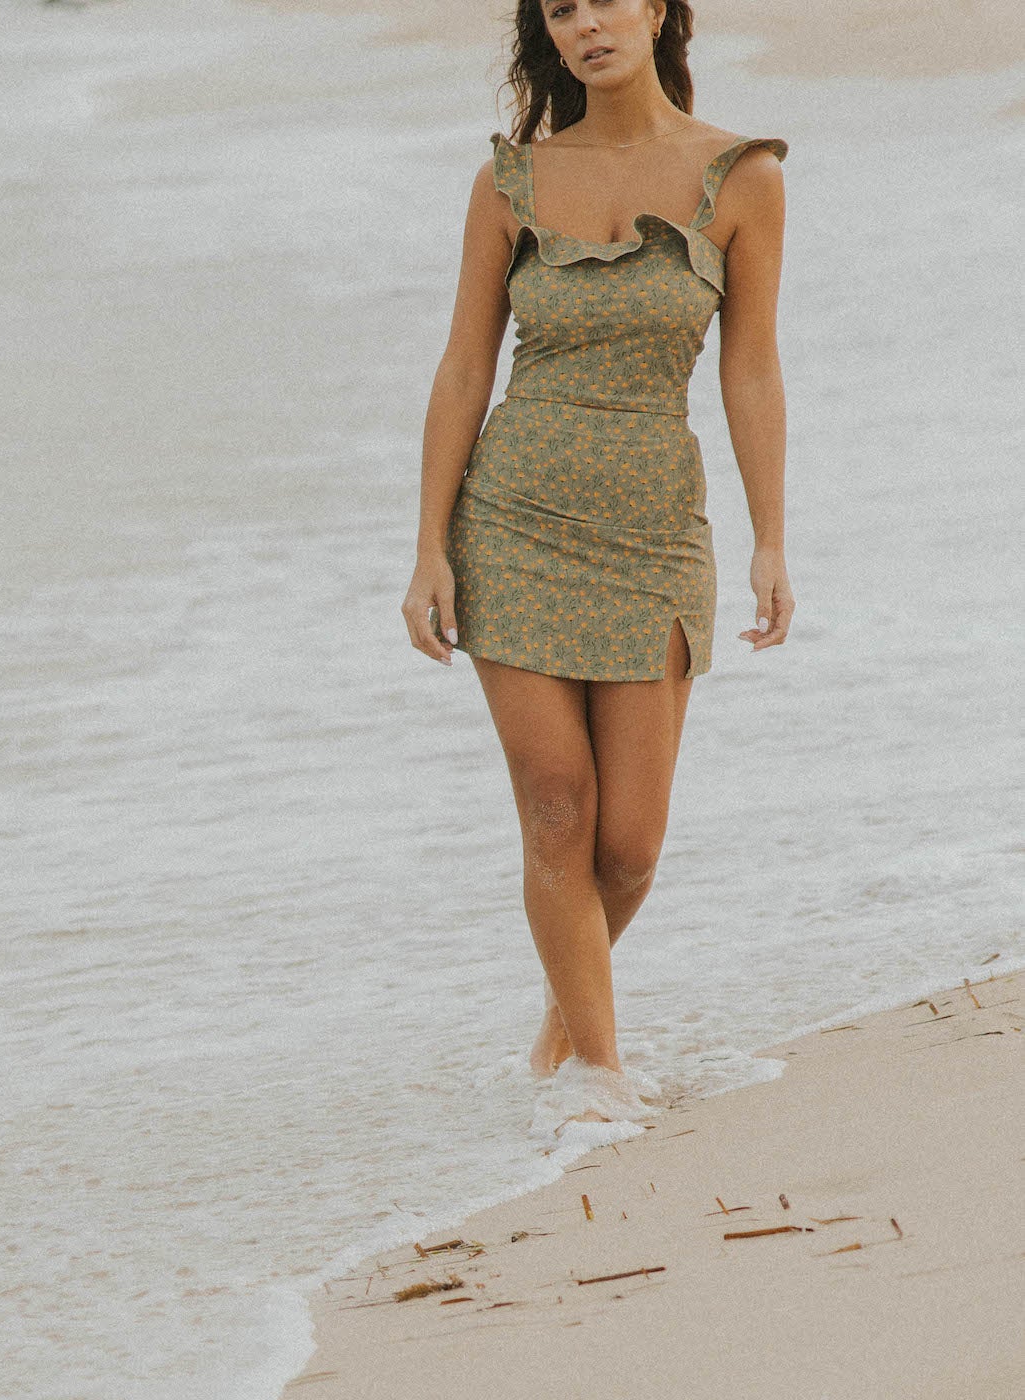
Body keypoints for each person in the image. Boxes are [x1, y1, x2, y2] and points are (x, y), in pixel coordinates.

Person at [402, 0, 792, 1125]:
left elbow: (752, 369)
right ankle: (600, 1078)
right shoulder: (510, 181)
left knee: (629, 846)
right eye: (558, 9)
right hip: (513, 519)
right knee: (558, 810)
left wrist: (771, 536)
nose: (584, 24)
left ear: (657, 9)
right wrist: (429, 542)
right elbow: (464, 365)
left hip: (653, 535)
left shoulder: (742, 178)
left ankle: (559, 1037)